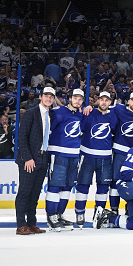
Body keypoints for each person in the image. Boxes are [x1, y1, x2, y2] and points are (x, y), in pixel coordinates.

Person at [15, 86, 55, 236]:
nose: (48, 98)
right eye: (46, 96)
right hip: (29, 159)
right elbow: (22, 137)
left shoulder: (51, 115)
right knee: (24, 192)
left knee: (35, 194)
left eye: (51, 96)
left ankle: (31, 223)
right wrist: (28, 158)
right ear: (41, 96)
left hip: (43, 158)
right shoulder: (30, 113)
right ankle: (21, 224)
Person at [74, 91, 118, 227]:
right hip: (87, 156)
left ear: (110, 102)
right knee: (82, 185)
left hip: (105, 157)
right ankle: (79, 212)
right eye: (102, 99)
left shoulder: (114, 116)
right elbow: (80, 131)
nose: (104, 102)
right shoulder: (88, 113)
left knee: (103, 187)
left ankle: (98, 214)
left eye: (107, 100)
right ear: (97, 100)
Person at [45, 89, 84, 231]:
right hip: (58, 153)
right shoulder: (58, 112)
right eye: (75, 98)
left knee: (67, 187)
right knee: (55, 186)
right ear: (69, 98)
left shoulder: (81, 114)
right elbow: (47, 130)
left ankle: (59, 214)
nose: (77, 101)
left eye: (80, 99)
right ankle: (51, 216)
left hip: (74, 155)